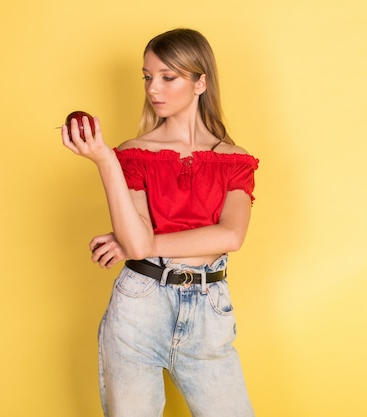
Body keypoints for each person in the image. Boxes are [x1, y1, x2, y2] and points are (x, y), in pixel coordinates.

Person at [61, 28, 257, 417]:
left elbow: (231, 236)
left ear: (201, 82)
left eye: (169, 77)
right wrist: (104, 160)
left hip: (208, 310)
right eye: (148, 77)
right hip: (139, 307)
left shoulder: (235, 160)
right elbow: (137, 246)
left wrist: (139, 242)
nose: (154, 88)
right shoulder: (133, 155)